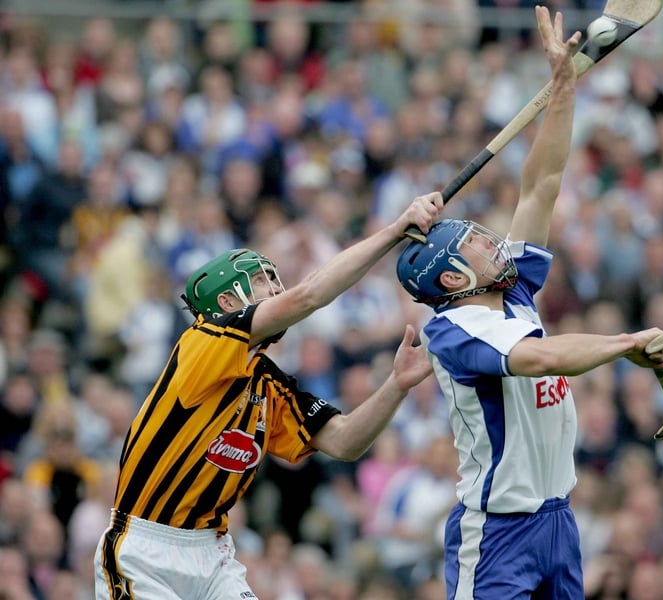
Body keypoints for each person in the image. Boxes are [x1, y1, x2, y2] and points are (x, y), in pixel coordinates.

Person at [394, 7, 663, 599]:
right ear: (452, 279)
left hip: (557, 521)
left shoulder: (512, 289)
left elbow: (542, 184)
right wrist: (623, 344)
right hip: (498, 532)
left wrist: (564, 89)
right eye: (474, 245)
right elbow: (541, 359)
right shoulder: (455, 329)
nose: (491, 243)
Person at [93, 192, 443, 599]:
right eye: (262, 281)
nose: (277, 289)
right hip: (146, 549)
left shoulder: (268, 383)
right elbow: (309, 295)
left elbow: (345, 441)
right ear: (226, 303)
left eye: (276, 280)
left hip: (213, 552)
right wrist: (395, 231)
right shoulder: (202, 342)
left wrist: (397, 384)